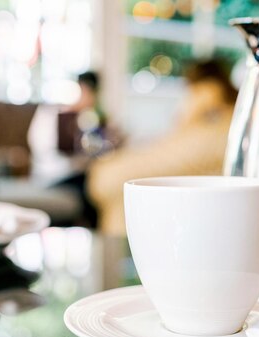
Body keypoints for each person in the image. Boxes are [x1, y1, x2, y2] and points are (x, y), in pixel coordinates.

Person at [86, 59, 238, 235]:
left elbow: (105, 181)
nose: (186, 99)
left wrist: (188, 117)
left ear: (207, 90)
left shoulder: (216, 132)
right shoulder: (208, 128)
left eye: (191, 91)